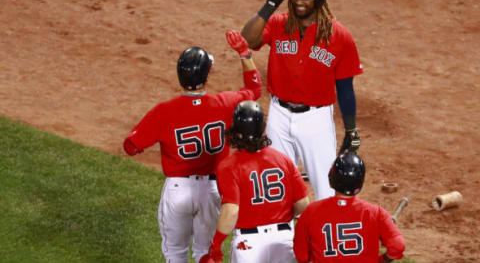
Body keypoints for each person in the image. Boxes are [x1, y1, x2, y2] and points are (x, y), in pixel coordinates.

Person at [123, 30, 262, 263]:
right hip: (212, 190)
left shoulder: (163, 112)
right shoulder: (225, 103)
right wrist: (244, 53)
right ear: (206, 76)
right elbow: (255, 89)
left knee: (175, 253)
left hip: (178, 191)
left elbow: (131, 146)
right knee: (204, 254)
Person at [240, 0, 363, 200]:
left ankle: (322, 235)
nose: (299, 1)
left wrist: (351, 129)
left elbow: (345, 88)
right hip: (278, 114)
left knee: (327, 191)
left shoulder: (340, 36)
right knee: (276, 187)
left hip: (316, 121)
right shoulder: (279, 24)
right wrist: (269, 6)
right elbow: (248, 39)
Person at [200, 100, 310, 263]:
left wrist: (216, 244)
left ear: (235, 130)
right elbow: (303, 204)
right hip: (284, 241)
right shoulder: (283, 160)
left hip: (248, 246)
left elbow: (231, 211)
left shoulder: (228, 166)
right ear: (262, 128)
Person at [293, 152, 406, 262]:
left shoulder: (311, 212)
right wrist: (383, 260)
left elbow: (301, 255)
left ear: (331, 179)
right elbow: (398, 246)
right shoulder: (376, 213)